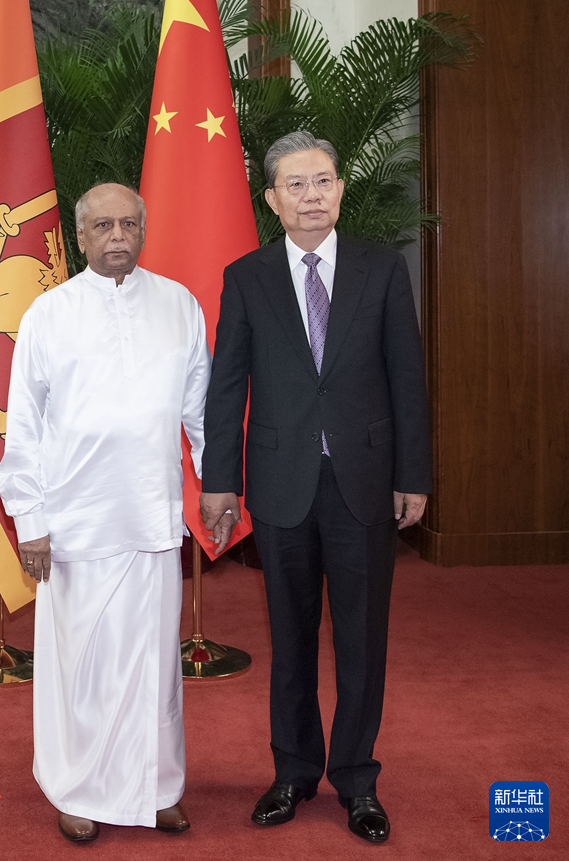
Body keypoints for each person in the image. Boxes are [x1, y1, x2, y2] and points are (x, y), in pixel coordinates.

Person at [200, 132, 432, 844]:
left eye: (323, 181)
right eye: (296, 185)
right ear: (272, 199)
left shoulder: (381, 268)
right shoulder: (247, 276)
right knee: (291, 638)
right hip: (280, 484)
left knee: (362, 639)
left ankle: (358, 779)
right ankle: (293, 772)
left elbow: (407, 378)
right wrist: (220, 482)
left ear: (341, 188)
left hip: (364, 481)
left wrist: (413, 475)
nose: (312, 196)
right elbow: (227, 385)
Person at [0, 183, 214, 843]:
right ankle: (78, 790)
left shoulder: (178, 305)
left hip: (152, 516)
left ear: (143, 231)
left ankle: (158, 787)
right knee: (82, 666)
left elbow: (200, 414)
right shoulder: (48, 314)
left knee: (153, 664)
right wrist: (30, 521)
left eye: (128, 224)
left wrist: (218, 490)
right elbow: (23, 426)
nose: (117, 236)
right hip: (74, 523)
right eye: (102, 226)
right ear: (80, 235)